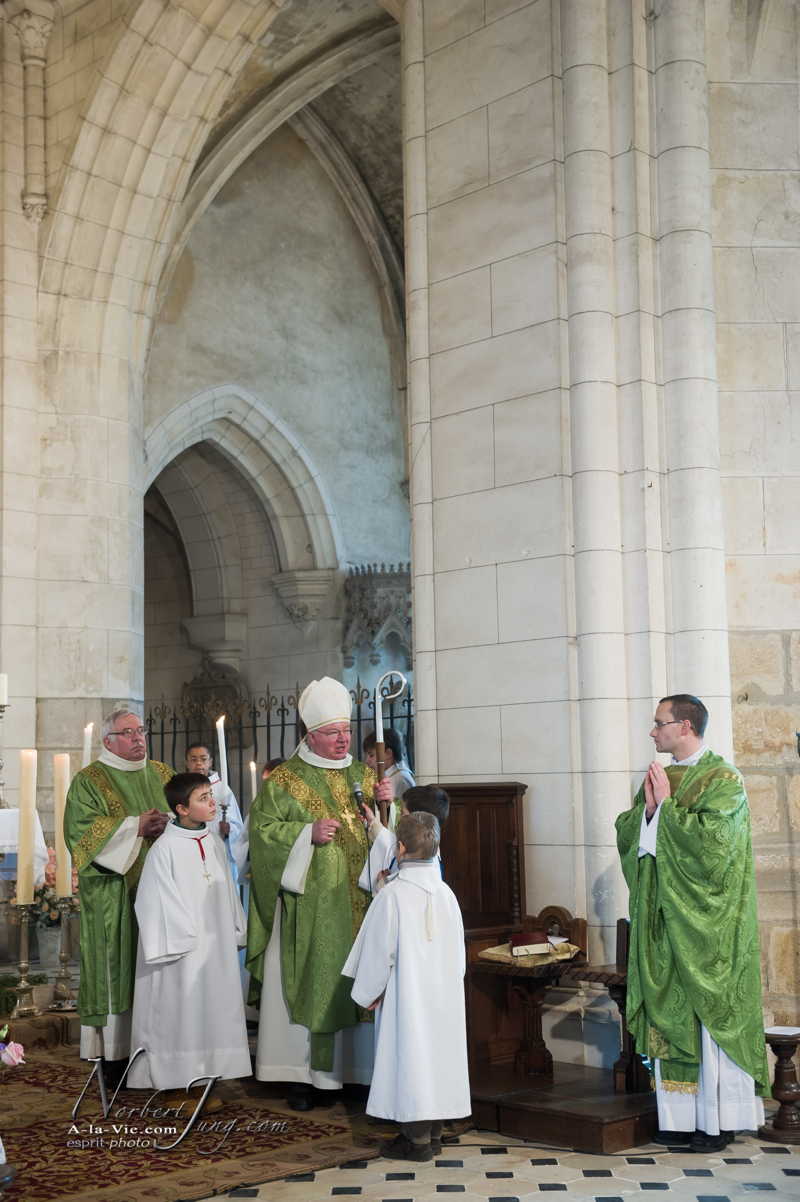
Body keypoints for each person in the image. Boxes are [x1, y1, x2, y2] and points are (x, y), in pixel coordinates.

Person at [616, 694, 769, 1152]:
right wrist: (647, 811)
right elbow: (631, 833)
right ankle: (680, 1119)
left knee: (706, 1021)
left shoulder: (723, 779)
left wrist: (665, 809)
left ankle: (718, 1120)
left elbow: (717, 848)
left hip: (710, 928)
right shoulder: (660, 776)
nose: (652, 731)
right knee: (672, 1013)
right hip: (664, 922)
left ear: (685, 726)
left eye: (659, 723)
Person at [246, 676, 392, 1110]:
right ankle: (302, 1076)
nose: (343, 739)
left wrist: (388, 805)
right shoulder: (286, 780)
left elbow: (385, 832)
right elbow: (262, 834)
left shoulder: (363, 773)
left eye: (346, 731)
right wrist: (305, 833)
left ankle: (355, 1072)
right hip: (310, 907)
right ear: (310, 734)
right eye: (333, 733)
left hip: (360, 903)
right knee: (313, 977)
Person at [342, 811, 470, 1162]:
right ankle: (433, 1134)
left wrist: (367, 993)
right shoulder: (446, 893)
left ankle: (415, 1142)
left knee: (411, 1058)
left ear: (399, 848)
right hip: (442, 995)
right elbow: (459, 955)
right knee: (437, 1059)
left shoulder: (394, 895)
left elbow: (379, 952)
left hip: (406, 995)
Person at [64, 707, 172, 1075]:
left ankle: (161, 1048)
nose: (138, 737)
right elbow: (80, 836)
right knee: (117, 966)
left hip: (162, 892)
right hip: (114, 895)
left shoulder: (161, 773)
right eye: (128, 732)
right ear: (109, 741)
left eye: (141, 730)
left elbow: (187, 812)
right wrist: (135, 827)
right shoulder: (89, 781)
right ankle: (114, 1058)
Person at [127, 773, 251, 1091]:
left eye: (211, 795)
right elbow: (154, 901)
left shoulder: (211, 841)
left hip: (212, 946)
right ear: (182, 808)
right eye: (203, 798)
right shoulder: (164, 849)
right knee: (179, 1013)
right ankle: (172, 1083)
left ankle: (205, 1077)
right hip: (180, 951)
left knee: (212, 1009)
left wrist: (233, 926)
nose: (213, 803)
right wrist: (186, 937)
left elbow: (226, 884)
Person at [359, 784, 449, 895]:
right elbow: (390, 844)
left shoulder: (421, 866)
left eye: (403, 814)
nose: (399, 820)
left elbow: (403, 899)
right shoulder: (422, 851)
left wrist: (382, 884)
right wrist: (372, 822)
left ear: (419, 821)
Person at [184, 744, 248, 885]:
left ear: (210, 762)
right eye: (193, 759)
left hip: (218, 853)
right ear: (187, 763)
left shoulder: (222, 789)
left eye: (203, 759)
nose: (199, 763)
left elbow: (238, 825)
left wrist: (229, 830)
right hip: (190, 853)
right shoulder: (182, 788)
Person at [362, 728, 415, 830]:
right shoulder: (387, 776)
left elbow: (401, 813)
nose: (367, 761)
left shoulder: (401, 778)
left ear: (388, 753)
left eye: (371, 755)